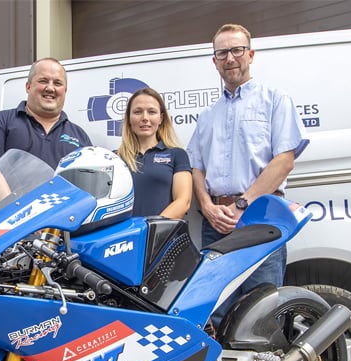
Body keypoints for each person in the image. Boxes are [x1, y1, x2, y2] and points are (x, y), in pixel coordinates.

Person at [187, 24, 309, 317]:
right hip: (216, 225)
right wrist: (207, 207)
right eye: (222, 53)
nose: (230, 58)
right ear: (214, 61)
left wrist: (242, 205)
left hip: (261, 218)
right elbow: (197, 168)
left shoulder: (275, 100)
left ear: (250, 54)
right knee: (215, 311)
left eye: (237, 50)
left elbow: (284, 161)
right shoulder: (207, 116)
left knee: (261, 309)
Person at [0, 57, 92, 181]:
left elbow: (90, 182)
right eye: (43, 81)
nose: (50, 88)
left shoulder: (80, 136)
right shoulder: (1, 122)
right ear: (28, 86)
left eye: (57, 83)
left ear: (65, 91)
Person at [117, 88, 192, 219]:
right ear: (128, 118)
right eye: (138, 112)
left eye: (151, 112)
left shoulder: (177, 155)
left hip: (163, 232)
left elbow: (183, 201)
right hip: (126, 232)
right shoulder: (115, 159)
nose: (145, 118)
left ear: (161, 118)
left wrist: (152, 228)